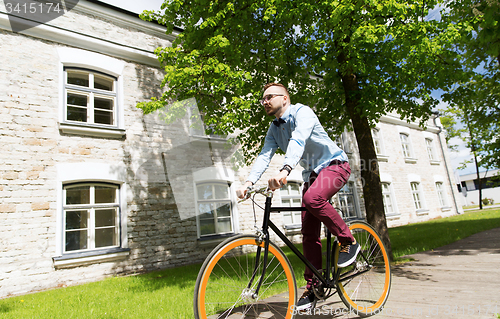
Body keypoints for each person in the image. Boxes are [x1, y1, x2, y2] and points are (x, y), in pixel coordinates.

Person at [236, 83, 360, 311]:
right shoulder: (274, 129)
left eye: (269, 97)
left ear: (284, 98)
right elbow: (264, 156)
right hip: (313, 174)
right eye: (262, 99)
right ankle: (314, 287)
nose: (264, 101)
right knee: (308, 232)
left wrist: (285, 169)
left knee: (313, 199)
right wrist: (249, 182)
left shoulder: (303, 112)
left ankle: (348, 240)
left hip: (335, 166)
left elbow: (298, 140)